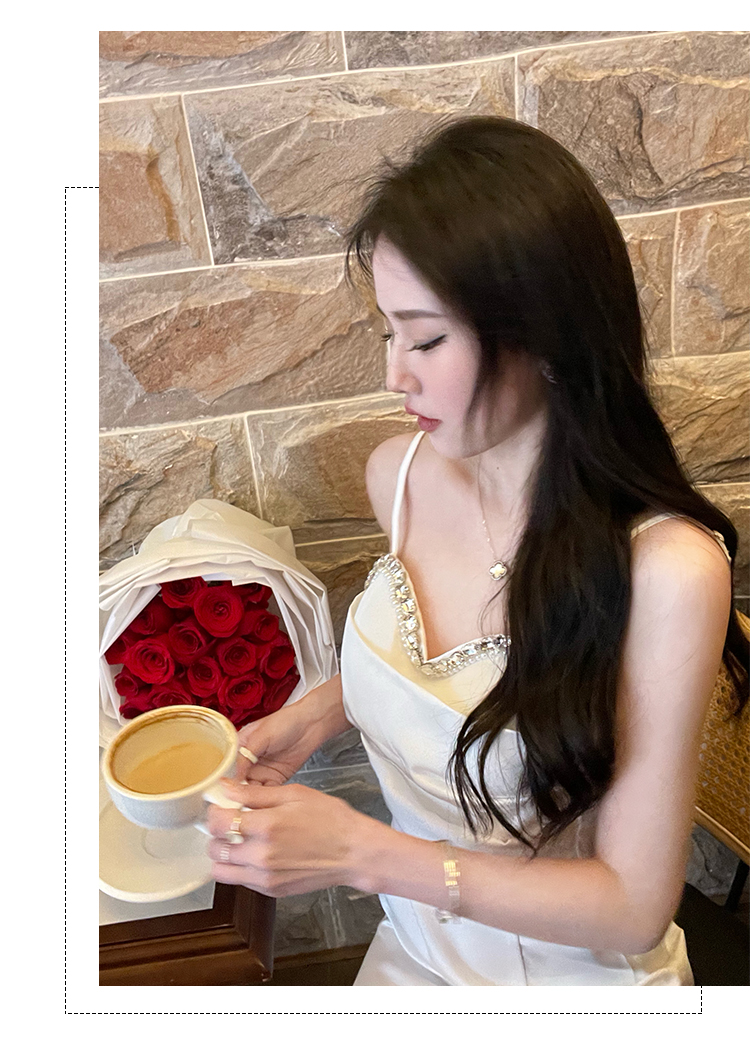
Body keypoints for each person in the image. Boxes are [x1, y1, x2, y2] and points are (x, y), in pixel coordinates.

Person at [206, 116, 749, 986]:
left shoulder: (666, 572)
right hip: (419, 950)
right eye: (387, 333)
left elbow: (633, 904)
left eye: (426, 339)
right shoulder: (399, 477)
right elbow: (452, 675)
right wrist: (319, 714)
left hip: (576, 980)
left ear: (545, 333)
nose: (395, 375)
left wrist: (363, 855)